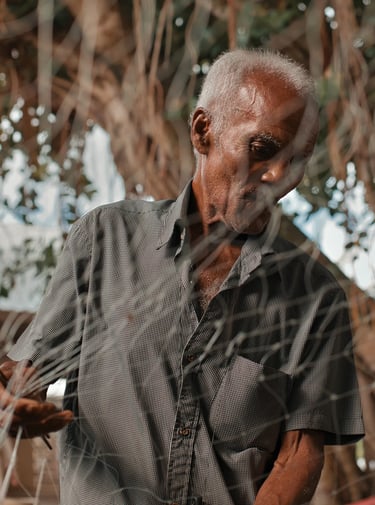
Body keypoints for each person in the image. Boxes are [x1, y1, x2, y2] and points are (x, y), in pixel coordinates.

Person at [0, 49, 364, 505]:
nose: (278, 175)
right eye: (263, 149)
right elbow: (29, 370)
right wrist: (13, 399)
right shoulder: (104, 240)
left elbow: (299, 455)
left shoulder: (313, 295)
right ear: (202, 130)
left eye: (297, 160)